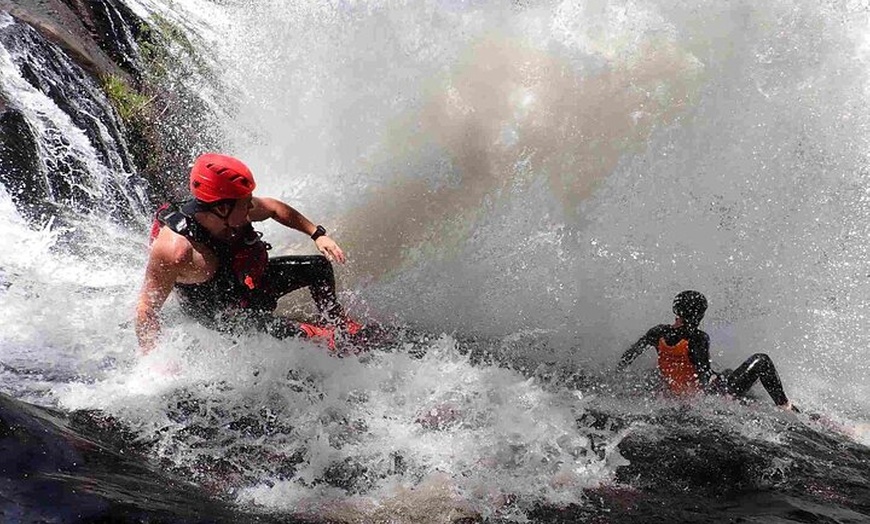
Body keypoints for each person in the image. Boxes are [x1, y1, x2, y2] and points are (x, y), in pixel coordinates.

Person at [136, 153, 362, 355]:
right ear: (222, 208)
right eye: (245, 204)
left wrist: (317, 234)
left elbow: (274, 208)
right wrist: (155, 363)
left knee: (318, 267)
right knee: (306, 336)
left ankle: (337, 321)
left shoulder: (232, 210)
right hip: (222, 318)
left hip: (246, 287)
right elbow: (146, 308)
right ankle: (323, 339)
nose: (251, 208)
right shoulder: (176, 250)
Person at [616, 290, 798, 411]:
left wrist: (616, 377)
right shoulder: (698, 338)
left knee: (726, 372)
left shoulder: (657, 332)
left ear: (676, 310)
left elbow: (628, 356)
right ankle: (785, 406)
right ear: (700, 314)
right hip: (710, 396)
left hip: (676, 391)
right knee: (762, 360)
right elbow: (703, 377)